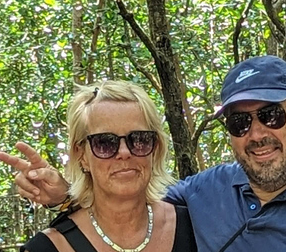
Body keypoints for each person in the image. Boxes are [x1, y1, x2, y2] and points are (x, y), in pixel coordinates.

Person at [0, 55, 286, 252]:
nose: (258, 133)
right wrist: (67, 195)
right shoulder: (202, 194)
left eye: (271, 115)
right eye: (240, 122)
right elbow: (125, 203)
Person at [17, 81, 197, 252]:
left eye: (139, 139)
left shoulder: (197, 227)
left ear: (155, 148)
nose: (124, 152)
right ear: (82, 155)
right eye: (104, 142)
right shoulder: (50, 247)